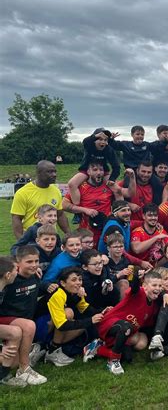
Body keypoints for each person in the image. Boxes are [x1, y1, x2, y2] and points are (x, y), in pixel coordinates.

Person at [89, 270, 168, 374]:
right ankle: (113, 361)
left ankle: (97, 349)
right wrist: (137, 277)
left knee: (132, 353)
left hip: (125, 332)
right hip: (109, 324)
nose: (158, 288)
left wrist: (165, 294)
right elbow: (134, 288)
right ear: (145, 286)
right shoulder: (139, 292)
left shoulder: (151, 305)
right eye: (154, 285)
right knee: (126, 327)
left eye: (160, 286)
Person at [0, 247, 47, 385]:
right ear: (18, 263)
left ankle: (14, 367)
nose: (34, 265)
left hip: (16, 324)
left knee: (11, 362)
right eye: (29, 262)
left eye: (36, 261)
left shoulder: (35, 275)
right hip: (7, 320)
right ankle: (25, 368)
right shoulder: (9, 279)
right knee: (27, 325)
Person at [45, 267, 105, 367]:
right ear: (63, 283)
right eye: (73, 280)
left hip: (56, 324)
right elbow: (61, 325)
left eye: (80, 279)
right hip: (43, 325)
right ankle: (52, 350)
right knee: (68, 313)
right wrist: (91, 320)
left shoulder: (76, 292)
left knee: (82, 326)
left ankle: (54, 348)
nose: (78, 283)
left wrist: (103, 311)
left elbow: (85, 308)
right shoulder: (58, 294)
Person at [63, 163, 131, 245]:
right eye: (95, 170)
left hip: (106, 228)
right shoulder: (80, 187)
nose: (98, 173)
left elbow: (122, 197)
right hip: (87, 232)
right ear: (88, 171)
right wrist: (84, 210)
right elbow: (64, 205)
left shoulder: (109, 185)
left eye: (101, 170)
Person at [10, 160, 69, 239]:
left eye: (55, 172)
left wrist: (69, 234)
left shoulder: (56, 191)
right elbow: (16, 218)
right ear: (39, 173)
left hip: (51, 238)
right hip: (31, 238)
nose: (54, 175)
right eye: (49, 172)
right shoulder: (23, 193)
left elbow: (60, 214)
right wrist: (21, 241)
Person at [68, 128, 121, 205]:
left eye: (105, 140)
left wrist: (112, 179)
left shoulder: (109, 149)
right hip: (86, 170)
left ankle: (120, 210)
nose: (103, 142)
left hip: (103, 171)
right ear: (94, 139)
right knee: (72, 184)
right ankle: (78, 208)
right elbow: (85, 141)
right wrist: (95, 136)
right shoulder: (89, 145)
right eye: (100, 139)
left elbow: (116, 166)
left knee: (117, 189)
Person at [105, 233, 152, 299]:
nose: (119, 249)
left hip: (123, 291)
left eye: (121, 246)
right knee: (124, 283)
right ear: (108, 248)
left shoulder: (126, 261)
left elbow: (132, 283)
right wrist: (119, 274)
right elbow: (104, 282)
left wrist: (139, 276)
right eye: (115, 247)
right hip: (107, 291)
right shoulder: (105, 261)